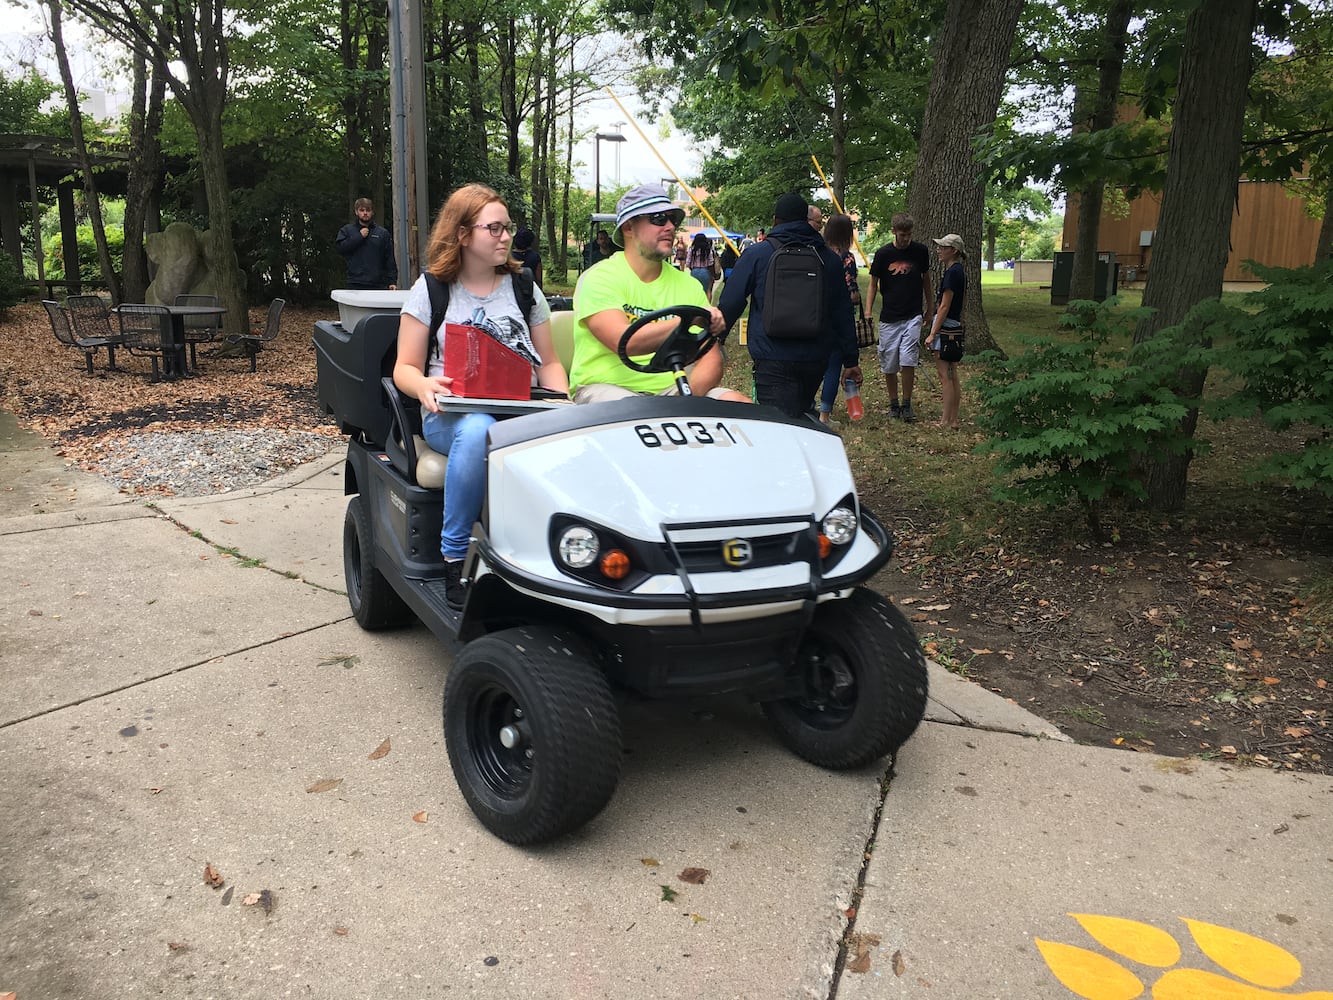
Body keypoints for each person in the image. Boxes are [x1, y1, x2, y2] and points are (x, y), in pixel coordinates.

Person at [393, 183, 568, 609]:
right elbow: (404, 368)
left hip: (516, 409)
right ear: (463, 234)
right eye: (495, 228)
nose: (506, 237)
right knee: (478, 430)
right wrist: (423, 387)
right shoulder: (432, 289)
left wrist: (560, 397)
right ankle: (455, 555)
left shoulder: (524, 289)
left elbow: (548, 363)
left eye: (507, 228)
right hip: (450, 415)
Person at [570, 184, 748, 404]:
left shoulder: (688, 285)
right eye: (658, 219)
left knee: (739, 404)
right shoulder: (599, 278)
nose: (670, 227)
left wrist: (684, 403)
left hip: (672, 392)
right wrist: (690, 319)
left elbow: (710, 357)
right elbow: (624, 342)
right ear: (628, 228)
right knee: (634, 414)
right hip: (605, 389)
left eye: (673, 219)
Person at [718, 192, 861, 419]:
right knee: (799, 412)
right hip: (815, 357)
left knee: (779, 423)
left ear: (776, 220)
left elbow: (731, 301)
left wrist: (718, 338)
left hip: (770, 355)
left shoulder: (757, 254)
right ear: (806, 220)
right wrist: (851, 361)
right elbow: (842, 312)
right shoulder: (829, 259)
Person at [864, 212, 930, 423]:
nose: (906, 239)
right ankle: (893, 403)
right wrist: (867, 310)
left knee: (908, 358)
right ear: (894, 232)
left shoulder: (920, 251)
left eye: (909, 234)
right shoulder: (883, 254)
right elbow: (873, 284)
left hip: (913, 314)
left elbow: (926, 280)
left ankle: (907, 403)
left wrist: (930, 306)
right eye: (902, 234)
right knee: (889, 361)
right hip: (890, 316)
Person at [817, 213, 860, 426]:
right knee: (834, 365)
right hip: (838, 317)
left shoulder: (819, 254)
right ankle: (825, 413)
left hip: (817, 315)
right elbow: (850, 291)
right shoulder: (846, 258)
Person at [925, 233, 967, 430]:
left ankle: (946, 421)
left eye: (943, 247)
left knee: (945, 375)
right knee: (952, 373)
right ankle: (954, 419)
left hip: (946, 327)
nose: (938, 250)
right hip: (955, 326)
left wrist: (933, 333)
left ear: (954, 251)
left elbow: (944, 306)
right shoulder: (958, 271)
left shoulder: (952, 273)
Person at [336, 198, 398, 290]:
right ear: (356, 212)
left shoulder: (382, 233)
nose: (365, 213)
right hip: (355, 283)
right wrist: (359, 236)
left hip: (378, 284)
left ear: (372, 212)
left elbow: (389, 259)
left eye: (368, 210)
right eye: (362, 210)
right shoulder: (347, 230)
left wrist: (392, 281)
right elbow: (340, 249)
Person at [685, 232, 717, 300]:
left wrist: (692, 269)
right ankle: (706, 306)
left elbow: (687, 263)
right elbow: (710, 263)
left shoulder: (692, 249)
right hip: (705, 271)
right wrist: (712, 275)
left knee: (695, 291)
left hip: (694, 271)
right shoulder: (708, 250)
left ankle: (696, 307)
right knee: (707, 291)